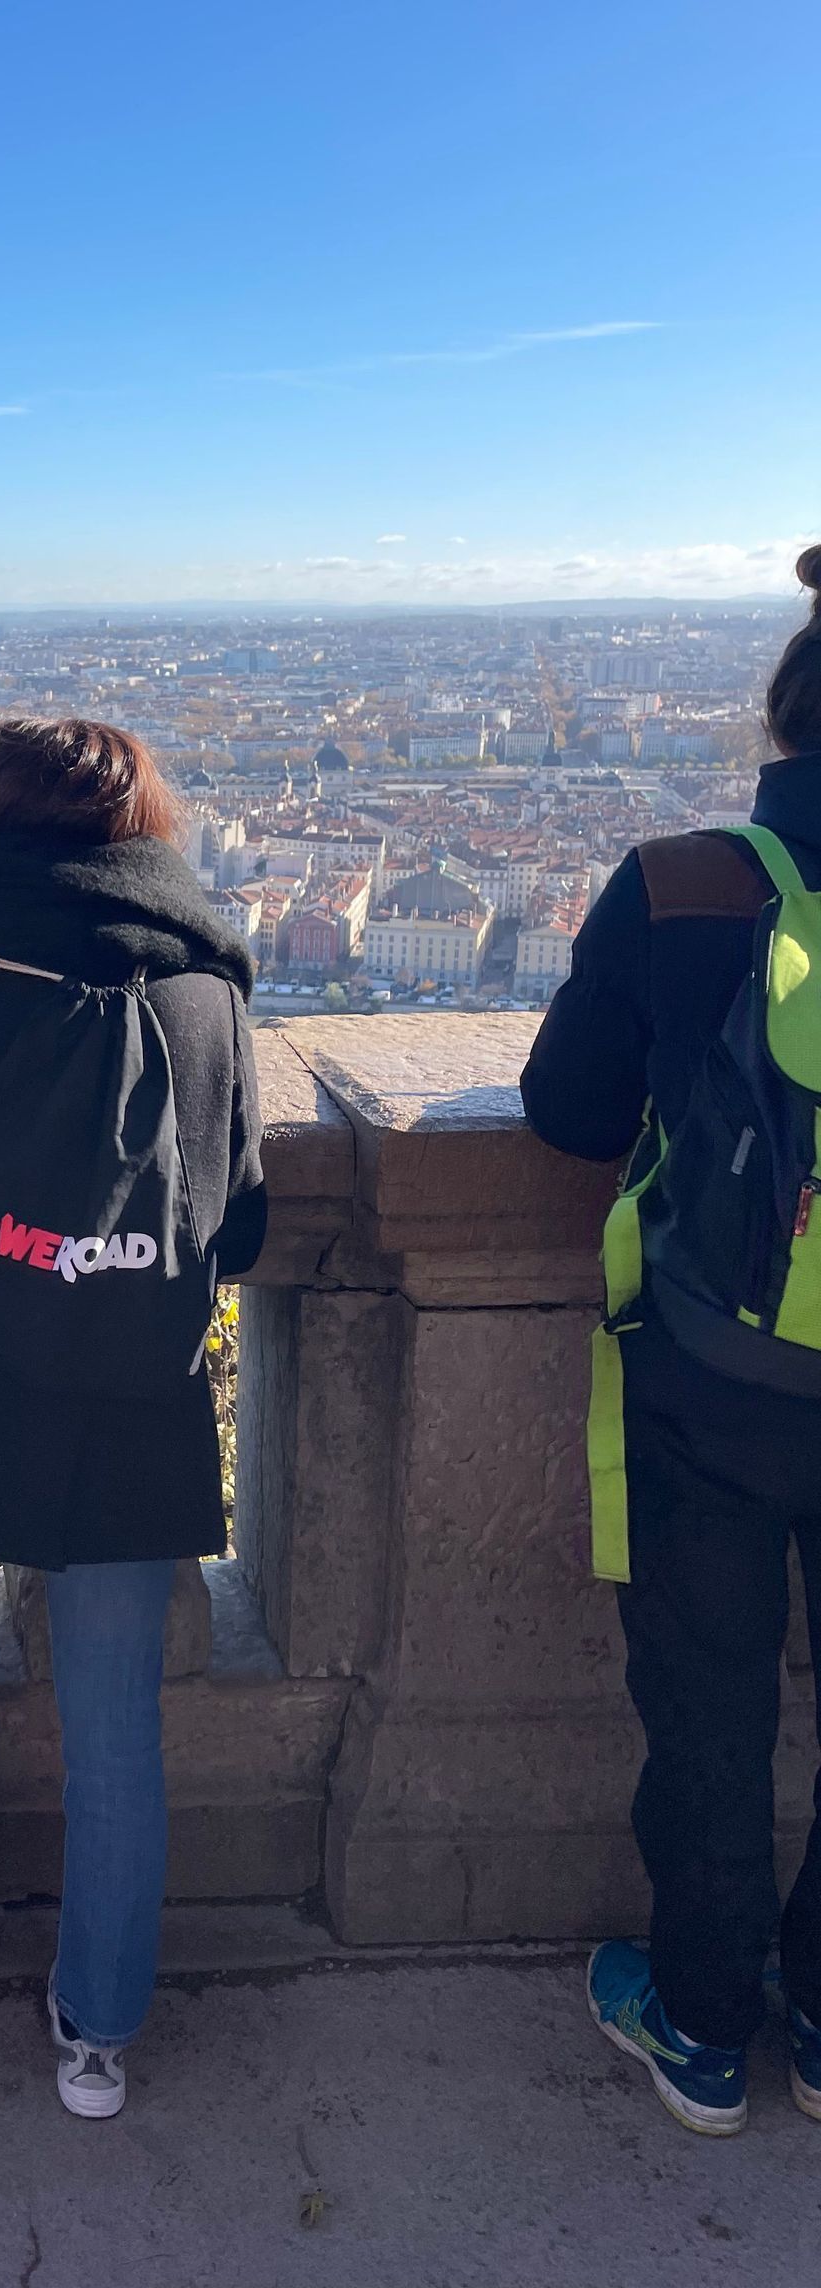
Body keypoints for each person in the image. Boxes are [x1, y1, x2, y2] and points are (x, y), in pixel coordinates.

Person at [0, 717, 266, 2119]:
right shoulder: (210, 989)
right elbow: (240, 1226)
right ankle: (98, 2034)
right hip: (133, 1396)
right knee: (114, 1717)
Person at [521, 545, 821, 2138]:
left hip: (712, 1370)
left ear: (782, 721)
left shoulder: (685, 885)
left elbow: (568, 1112)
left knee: (707, 1712)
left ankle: (706, 2029)